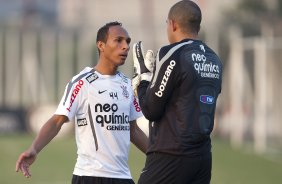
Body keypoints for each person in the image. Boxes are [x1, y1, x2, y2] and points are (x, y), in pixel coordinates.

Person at [15, 21, 148, 184]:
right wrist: (34, 149)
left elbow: (133, 131)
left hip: (123, 177)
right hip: (89, 176)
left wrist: (159, 155)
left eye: (127, 41)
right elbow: (57, 121)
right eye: (118, 40)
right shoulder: (82, 82)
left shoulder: (127, 84)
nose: (125, 46)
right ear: (101, 45)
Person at [132, 1, 223, 184]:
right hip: (203, 157)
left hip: (171, 155)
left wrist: (142, 79)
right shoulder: (214, 58)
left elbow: (151, 109)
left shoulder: (172, 53)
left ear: (172, 24)